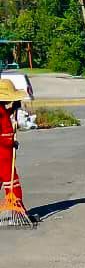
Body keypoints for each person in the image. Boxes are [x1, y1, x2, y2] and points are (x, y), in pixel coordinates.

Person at [0, 77, 28, 207]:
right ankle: (16, 208)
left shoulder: (3, 111)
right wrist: (9, 142)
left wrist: (13, 108)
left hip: (5, 153)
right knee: (12, 182)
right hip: (2, 154)